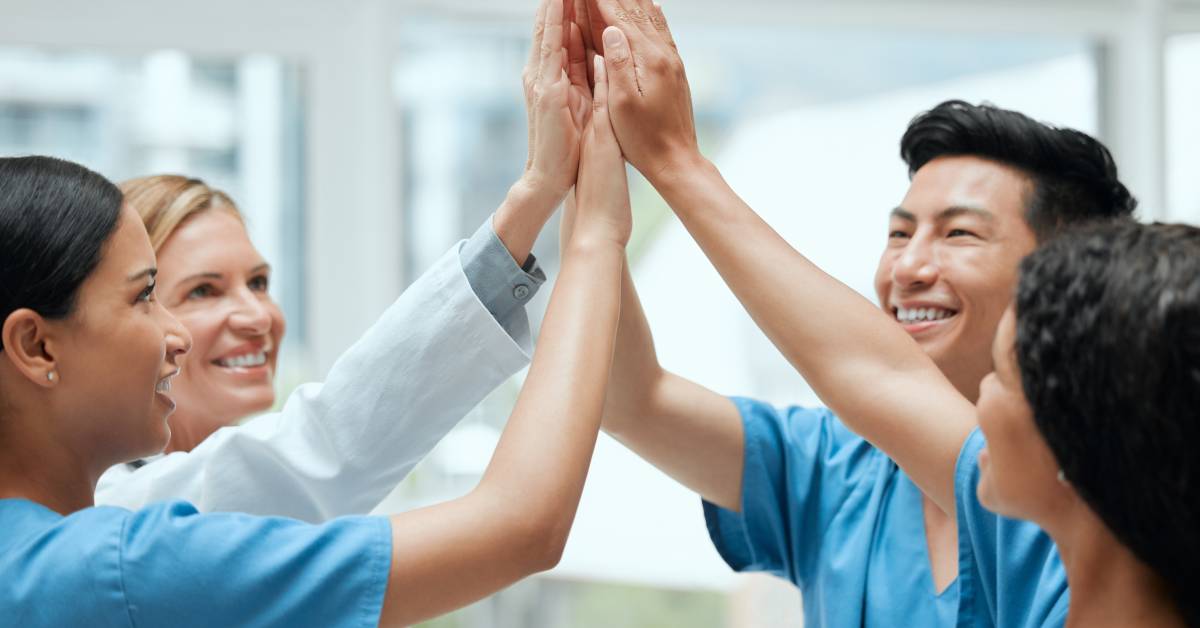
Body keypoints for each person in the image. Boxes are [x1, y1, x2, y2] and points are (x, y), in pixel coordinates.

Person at [0, 19, 633, 628]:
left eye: (258, 282)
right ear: (34, 345)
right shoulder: (122, 567)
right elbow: (516, 525)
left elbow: (326, 445)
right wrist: (596, 236)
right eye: (148, 296)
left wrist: (539, 190)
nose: (180, 333)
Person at [578, 0, 1133, 625]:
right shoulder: (839, 465)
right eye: (899, 235)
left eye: (959, 236)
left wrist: (676, 162)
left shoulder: (1091, 494)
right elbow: (631, 398)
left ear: (1062, 280)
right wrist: (584, 173)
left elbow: (876, 376)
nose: (909, 268)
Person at [92, 0, 596, 521]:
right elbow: (330, 445)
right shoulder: (118, 511)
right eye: (204, 290)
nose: (258, 316)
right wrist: (542, 191)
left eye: (260, 283)